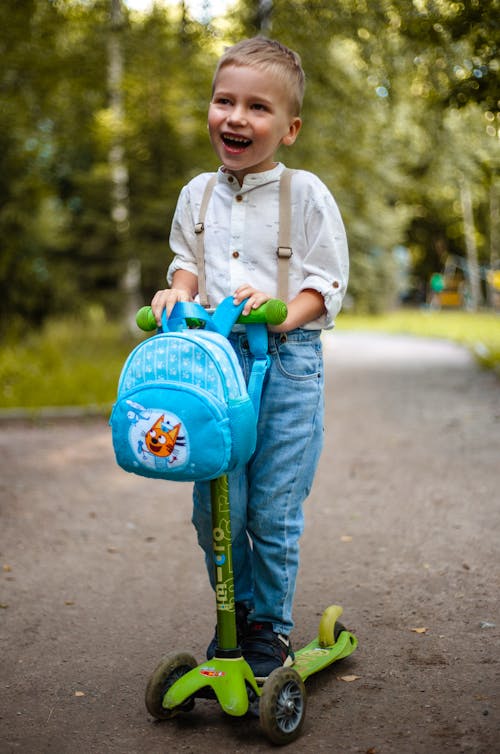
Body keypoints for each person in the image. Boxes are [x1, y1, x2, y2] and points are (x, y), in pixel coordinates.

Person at [151, 37, 349, 681]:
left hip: (286, 364)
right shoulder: (196, 195)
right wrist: (175, 294)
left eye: (257, 107)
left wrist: (281, 311)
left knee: (271, 507)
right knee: (215, 505)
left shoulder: (306, 193)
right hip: (212, 365)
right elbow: (187, 262)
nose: (236, 117)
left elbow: (327, 280)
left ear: (289, 129)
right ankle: (233, 617)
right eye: (223, 101)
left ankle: (269, 630)